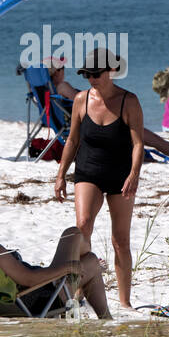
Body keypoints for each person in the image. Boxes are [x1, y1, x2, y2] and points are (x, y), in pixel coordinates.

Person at [54, 49, 144, 308]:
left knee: (120, 240)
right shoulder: (81, 100)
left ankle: (125, 302)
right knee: (82, 226)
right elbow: (72, 140)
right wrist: (61, 175)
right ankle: (83, 290)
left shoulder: (129, 101)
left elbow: (138, 143)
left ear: (111, 72)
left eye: (96, 74)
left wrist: (134, 174)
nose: (91, 79)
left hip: (120, 176)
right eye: (87, 74)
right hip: (88, 171)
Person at [0, 199, 111, 318]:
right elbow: (29, 279)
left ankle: (102, 313)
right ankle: (103, 316)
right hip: (38, 298)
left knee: (90, 259)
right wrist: (67, 267)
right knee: (74, 236)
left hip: (6, 302)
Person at [47, 58, 169, 163]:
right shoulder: (63, 86)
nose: (63, 71)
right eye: (61, 68)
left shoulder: (51, 90)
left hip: (93, 125)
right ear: (55, 73)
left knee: (149, 137)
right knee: (153, 139)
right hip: (100, 126)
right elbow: (83, 101)